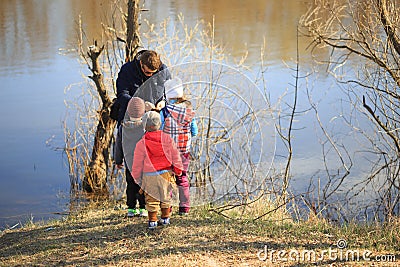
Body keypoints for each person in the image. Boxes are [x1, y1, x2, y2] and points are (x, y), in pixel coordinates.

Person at [131, 111, 183, 229]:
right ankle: (165, 219)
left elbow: (137, 163)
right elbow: (175, 156)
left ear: (144, 126)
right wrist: (178, 170)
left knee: (151, 199)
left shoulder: (141, 143)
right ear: (160, 123)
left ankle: (152, 222)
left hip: (149, 176)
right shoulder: (167, 139)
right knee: (165, 197)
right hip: (166, 174)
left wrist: (137, 177)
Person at [160, 77, 198, 215]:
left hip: (168, 152)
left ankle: (167, 208)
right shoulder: (189, 112)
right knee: (182, 177)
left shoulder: (164, 112)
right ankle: (184, 208)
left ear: (167, 95)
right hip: (184, 151)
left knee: (168, 179)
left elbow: (160, 129)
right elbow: (194, 131)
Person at [115, 50, 171, 124]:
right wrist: (141, 105)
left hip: (156, 119)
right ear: (141, 63)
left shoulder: (163, 70)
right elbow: (122, 95)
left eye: (154, 73)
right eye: (148, 72)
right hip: (133, 120)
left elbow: (170, 92)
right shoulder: (127, 70)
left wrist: (164, 101)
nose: (150, 75)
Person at [114, 97, 147, 217]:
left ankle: (131, 208)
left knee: (130, 185)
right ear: (143, 112)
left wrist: (118, 160)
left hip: (129, 163)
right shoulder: (145, 128)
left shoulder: (123, 127)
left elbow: (118, 145)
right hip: (143, 164)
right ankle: (143, 208)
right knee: (142, 185)